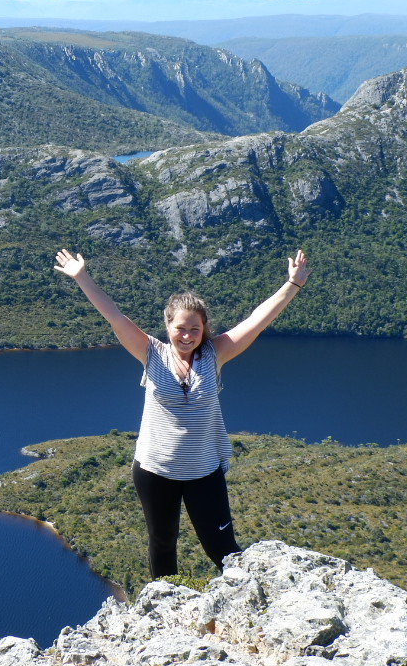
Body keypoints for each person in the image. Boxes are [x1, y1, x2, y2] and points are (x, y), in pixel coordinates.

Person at [52, 247, 309, 579]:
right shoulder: (151, 353)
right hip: (155, 471)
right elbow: (114, 315)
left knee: (223, 549)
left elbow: (257, 321)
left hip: (204, 472)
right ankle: (162, 613)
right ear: (167, 325)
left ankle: (250, 602)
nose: (187, 336)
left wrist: (293, 285)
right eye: (180, 329)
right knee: (162, 545)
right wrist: (81, 276)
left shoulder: (215, 355)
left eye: (195, 330)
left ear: (204, 330)